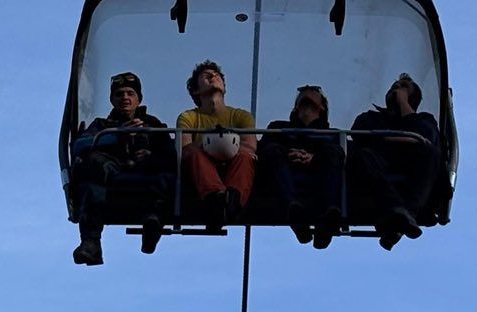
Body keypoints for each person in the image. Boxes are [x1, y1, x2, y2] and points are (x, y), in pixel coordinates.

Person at [69, 71, 174, 266]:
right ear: (112, 100)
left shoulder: (153, 125)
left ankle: (153, 224)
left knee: (167, 169)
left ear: (138, 99)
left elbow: (170, 153)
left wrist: (150, 154)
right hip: (114, 175)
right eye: (119, 94)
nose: (125, 97)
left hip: (146, 175)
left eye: (130, 93)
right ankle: (91, 242)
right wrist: (118, 135)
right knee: (93, 165)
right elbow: (80, 145)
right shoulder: (102, 125)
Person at [348, 73, 441, 250]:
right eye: (395, 85)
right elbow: (361, 136)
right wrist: (406, 139)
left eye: (403, 86)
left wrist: (404, 104)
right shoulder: (370, 117)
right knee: (363, 155)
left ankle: (404, 216)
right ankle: (399, 215)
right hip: (377, 164)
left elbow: (426, 136)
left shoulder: (425, 119)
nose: (396, 88)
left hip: (410, 166)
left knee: (431, 153)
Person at [258, 84, 345, 249]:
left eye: (313, 91)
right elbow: (262, 152)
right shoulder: (277, 128)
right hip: (284, 170)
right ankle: (294, 211)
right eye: (303, 93)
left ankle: (327, 217)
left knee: (333, 152)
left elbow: (344, 156)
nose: (307, 92)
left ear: (322, 107)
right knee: (272, 151)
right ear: (296, 107)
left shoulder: (333, 135)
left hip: (319, 170)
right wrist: (289, 154)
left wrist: (314, 158)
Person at [176, 60, 256, 230]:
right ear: (196, 90)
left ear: (224, 87)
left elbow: (250, 147)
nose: (213, 77)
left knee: (245, 156)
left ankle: (233, 200)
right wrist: (218, 145)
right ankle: (217, 199)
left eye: (217, 75)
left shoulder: (242, 116)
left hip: (232, 166)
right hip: (202, 169)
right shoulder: (188, 117)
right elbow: (184, 149)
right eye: (207, 76)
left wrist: (219, 146)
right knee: (192, 153)